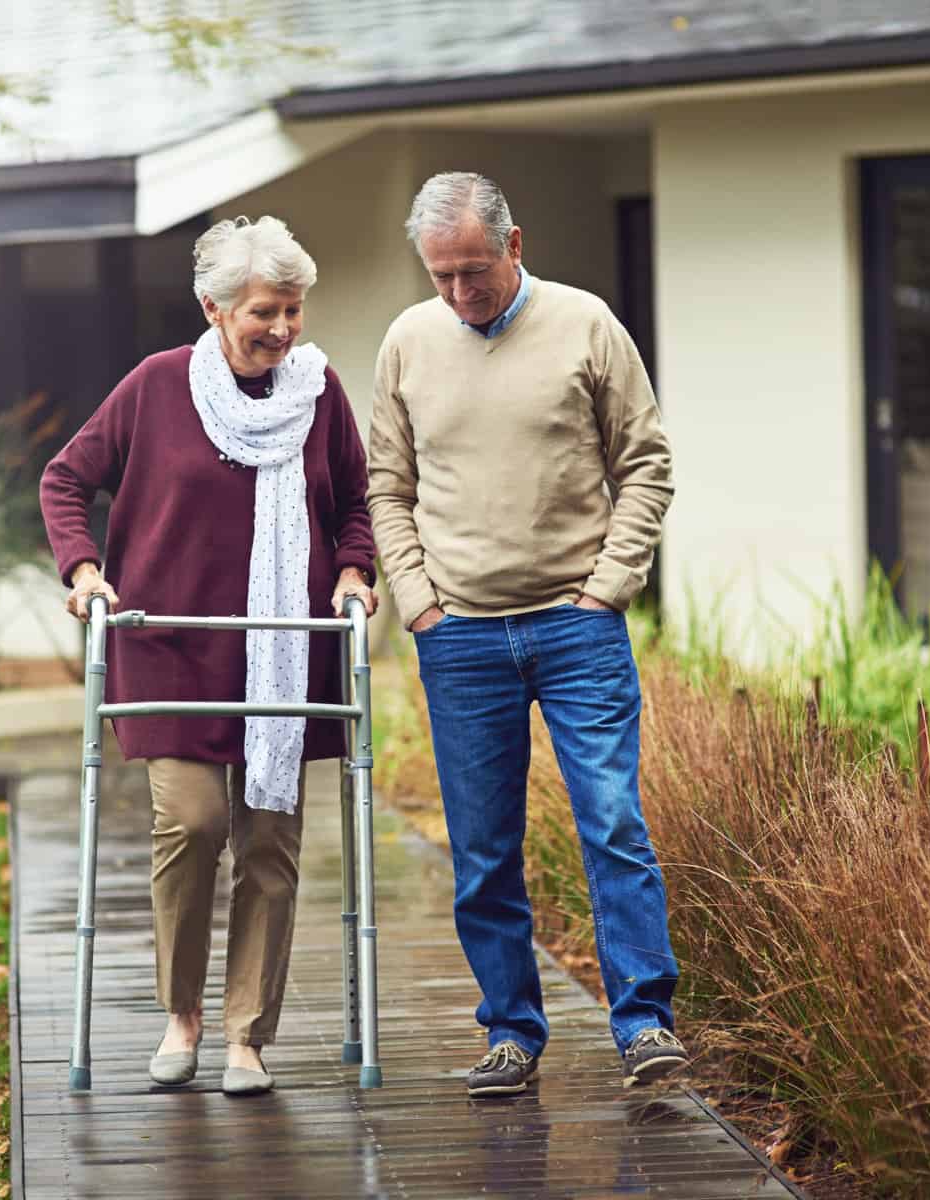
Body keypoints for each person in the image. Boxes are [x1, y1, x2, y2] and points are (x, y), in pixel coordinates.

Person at [40, 215, 377, 1096]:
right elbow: (66, 478)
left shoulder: (318, 391)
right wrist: (83, 569)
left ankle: (245, 1038)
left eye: (295, 310)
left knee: (270, 842)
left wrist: (353, 571)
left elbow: (356, 503)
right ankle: (180, 1015)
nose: (283, 329)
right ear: (214, 308)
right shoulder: (157, 387)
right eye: (266, 310)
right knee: (191, 825)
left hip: (285, 654)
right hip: (175, 650)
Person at [367, 172, 686, 1098]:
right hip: (460, 635)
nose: (460, 294)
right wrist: (420, 601)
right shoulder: (407, 341)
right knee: (481, 849)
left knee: (613, 822)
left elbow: (647, 463)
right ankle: (512, 1030)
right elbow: (387, 486)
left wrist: (608, 589)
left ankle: (643, 1024)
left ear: (514, 244)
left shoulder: (588, 325)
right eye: (442, 277)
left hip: (576, 626)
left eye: (474, 270)